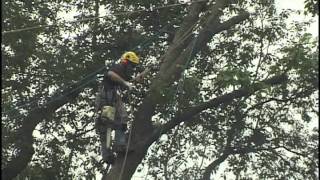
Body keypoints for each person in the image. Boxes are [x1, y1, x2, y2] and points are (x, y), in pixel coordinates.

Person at [95, 51, 144, 164]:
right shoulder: (119, 67)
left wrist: (141, 76)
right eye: (131, 65)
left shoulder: (125, 72)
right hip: (106, 97)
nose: (132, 68)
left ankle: (120, 145)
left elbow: (130, 81)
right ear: (126, 62)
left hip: (115, 98)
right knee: (106, 125)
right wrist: (125, 83)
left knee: (122, 120)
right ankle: (106, 154)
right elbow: (111, 74)